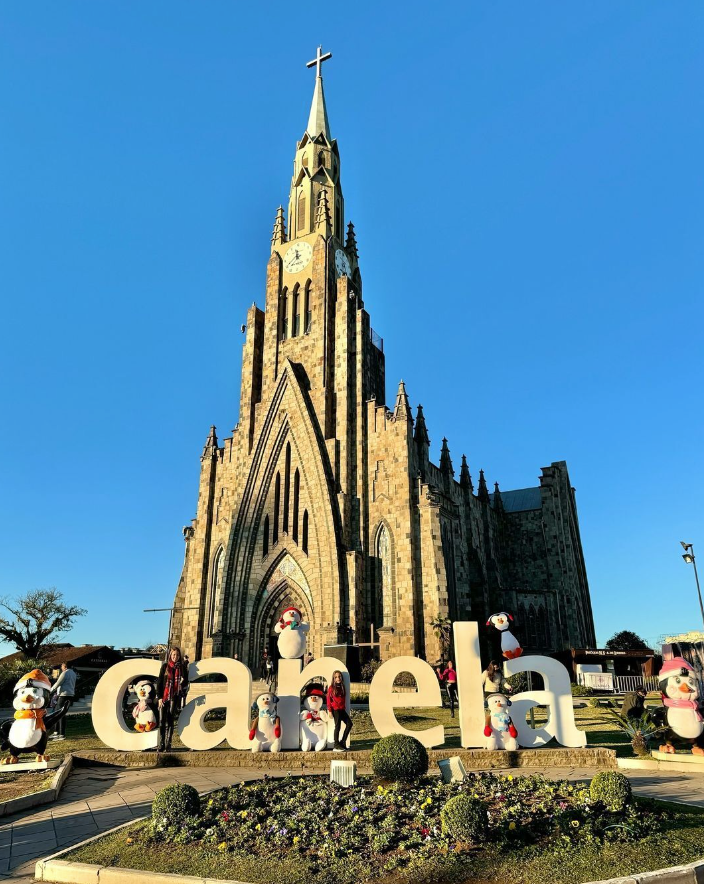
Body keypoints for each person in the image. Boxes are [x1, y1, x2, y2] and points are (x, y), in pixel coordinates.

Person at [156, 647, 189, 752]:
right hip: (164, 697)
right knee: (162, 720)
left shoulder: (182, 668)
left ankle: (168, 743)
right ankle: (161, 743)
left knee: (170, 720)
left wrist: (182, 682)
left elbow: (185, 681)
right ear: (170, 655)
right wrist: (160, 697)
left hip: (174, 696)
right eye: (174, 655)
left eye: (177, 655)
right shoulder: (165, 667)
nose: (175, 657)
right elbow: (160, 682)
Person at [49, 662, 78, 740]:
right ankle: (56, 732)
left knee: (60, 714)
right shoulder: (73, 674)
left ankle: (61, 734)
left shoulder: (64, 673)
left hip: (63, 695)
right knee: (59, 713)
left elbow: (57, 684)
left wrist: (49, 691)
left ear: (64, 666)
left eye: (61, 666)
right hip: (70, 695)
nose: (61, 667)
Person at [327, 669, 352, 751]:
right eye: (336, 677)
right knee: (338, 727)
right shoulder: (331, 688)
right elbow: (328, 700)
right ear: (333, 679)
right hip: (335, 710)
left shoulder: (342, 687)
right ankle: (336, 744)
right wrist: (330, 711)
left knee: (349, 724)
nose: (338, 678)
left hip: (342, 709)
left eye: (339, 676)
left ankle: (342, 741)